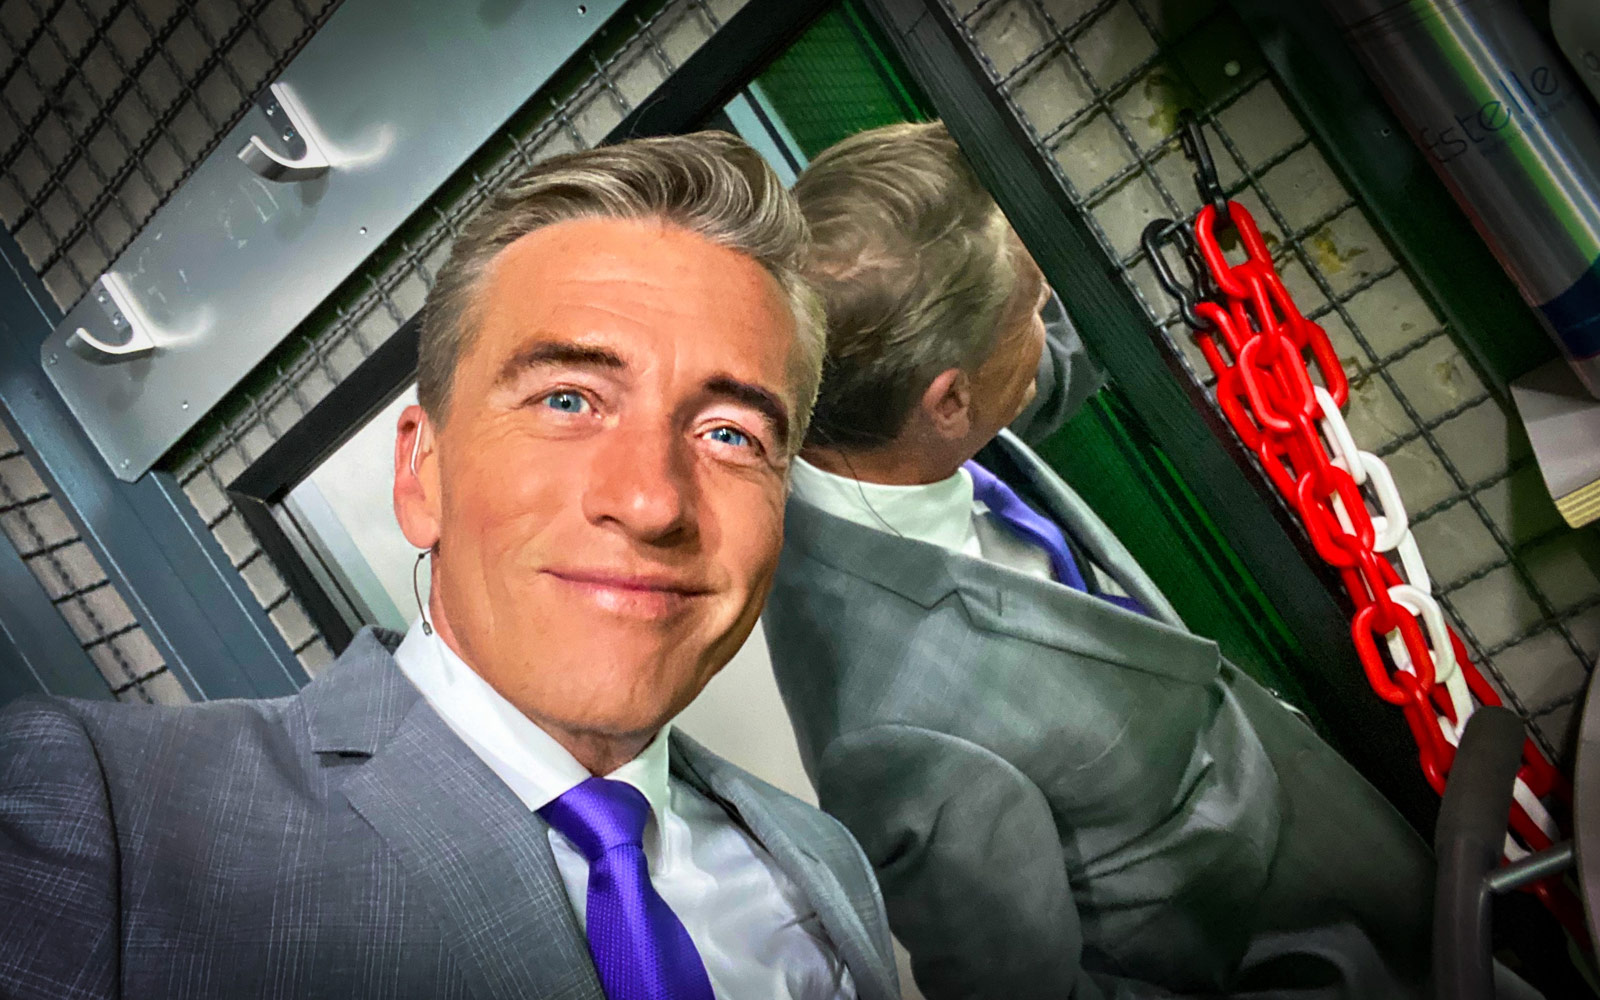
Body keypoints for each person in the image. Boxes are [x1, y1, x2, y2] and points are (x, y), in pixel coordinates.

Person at [0, 132, 900, 1000]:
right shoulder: (106, 821)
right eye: (567, 399)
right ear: (420, 471)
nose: (652, 501)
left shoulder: (822, 866)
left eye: (731, 434)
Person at [760, 121, 1440, 1000]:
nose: (1046, 321)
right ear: (949, 398)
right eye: (1029, 311)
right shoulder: (891, 734)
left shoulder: (868, 430)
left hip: (1348, 862)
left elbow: (1042, 371)